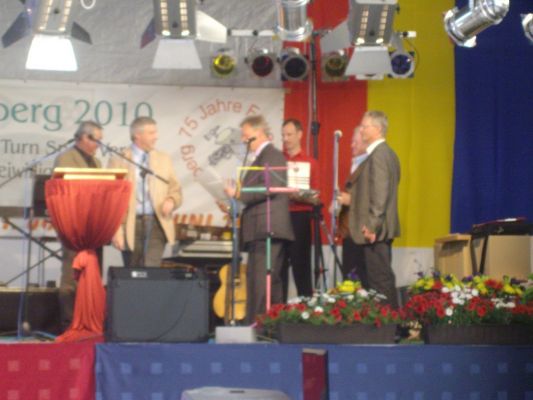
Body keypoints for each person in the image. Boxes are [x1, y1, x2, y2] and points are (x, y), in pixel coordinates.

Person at [224, 115, 294, 324]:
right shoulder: (261, 157)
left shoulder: (272, 155)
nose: (243, 140)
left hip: (268, 227)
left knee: (261, 281)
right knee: (261, 280)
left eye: (246, 135)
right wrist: (235, 201)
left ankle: (257, 325)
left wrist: (239, 194)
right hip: (259, 228)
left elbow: (270, 187)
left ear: (259, 132)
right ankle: (266, 325)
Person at [108, 116, 182, 267]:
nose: (156, 137)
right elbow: (111, 200)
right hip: (130, 224)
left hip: (156, 223)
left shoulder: (163, 159)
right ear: (137, 135)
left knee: (150, 270)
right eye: (151, 133)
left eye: (156, 132)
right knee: (133, 272)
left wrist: (171, 200)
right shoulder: (119, 160)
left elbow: (176, 189)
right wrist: (116, 230)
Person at [53, 120, 103, 331]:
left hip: (93, 226)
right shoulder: (66, 158)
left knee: (90, 275)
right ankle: (68, 322)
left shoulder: (97, 162)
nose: (99, 145)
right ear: (84, 137)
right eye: (97, 140)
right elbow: (65, 189)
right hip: (72, 224)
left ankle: (88, 320)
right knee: (71, 275)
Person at [348, 111, 400, 308]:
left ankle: (390, 321)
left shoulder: (379, 155)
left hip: (376, 230)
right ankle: (389, 320)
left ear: (377, 129)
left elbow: (380, 193)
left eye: (365, 126)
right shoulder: (388, 154)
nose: (361, 130)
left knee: (380, 281)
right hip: (380, 227)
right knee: (379, 279)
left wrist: (372, 225)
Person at [280, 118, 320, 301]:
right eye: (283, 135)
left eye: (289, 134)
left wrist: (296, 194)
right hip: (279, 217)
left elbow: (317, 196)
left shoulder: (310, 162)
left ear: (300, 135)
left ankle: (306, 308)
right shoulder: (277, 160)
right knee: (278, 266)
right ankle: (277, 310)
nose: (285, 139)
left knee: (301, 266)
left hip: (300, 218)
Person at [335, 125, 368, 282]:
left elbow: (372, 197)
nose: (351, 145)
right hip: (350, 230)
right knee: (349, 279)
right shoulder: (356, 163)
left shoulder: (369, 165)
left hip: (362, 231)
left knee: (360, 278)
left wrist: (350, 200)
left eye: (355, 142)